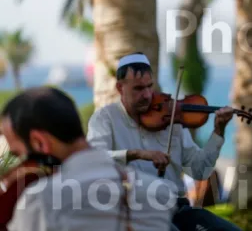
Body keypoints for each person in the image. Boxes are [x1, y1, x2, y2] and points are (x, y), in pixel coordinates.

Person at [86, 52, 241, 231]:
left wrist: (218, 131)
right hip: (136, 212)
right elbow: (94, 161)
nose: (146, 95)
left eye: (149, 87)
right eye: (138, 89)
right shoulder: (105, 119)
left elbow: (201, 170)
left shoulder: (170, 119)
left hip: (177, 208)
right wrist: (138, 154)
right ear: (120, 88)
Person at [1, 86, 177, 230]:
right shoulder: (159, 192)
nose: (20, 167)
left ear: (39, 142)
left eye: (18, 154)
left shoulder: (41, 201)